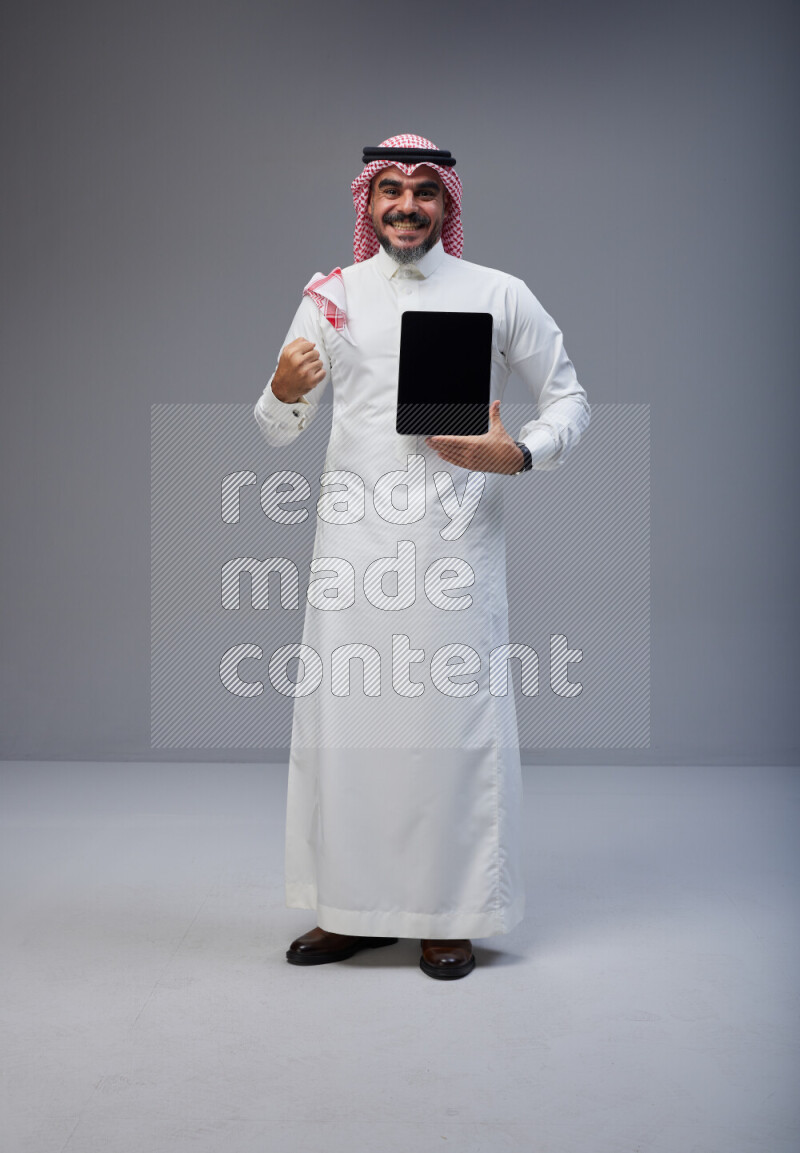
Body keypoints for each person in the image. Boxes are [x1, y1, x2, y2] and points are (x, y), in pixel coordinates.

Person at [253, 134, 590, 979]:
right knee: (350, 728)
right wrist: (284, 393)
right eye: (390, 191)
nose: (407, 205)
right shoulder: (331, 296)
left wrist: (517, 455)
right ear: (367, 204)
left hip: (453, 545)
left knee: (449, 730)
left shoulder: (497, 293)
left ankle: (450, 913)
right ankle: (351, 909)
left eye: (424, 192)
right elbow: (277, 423)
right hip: (353, 546)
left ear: (447, 203)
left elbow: (571, 399)